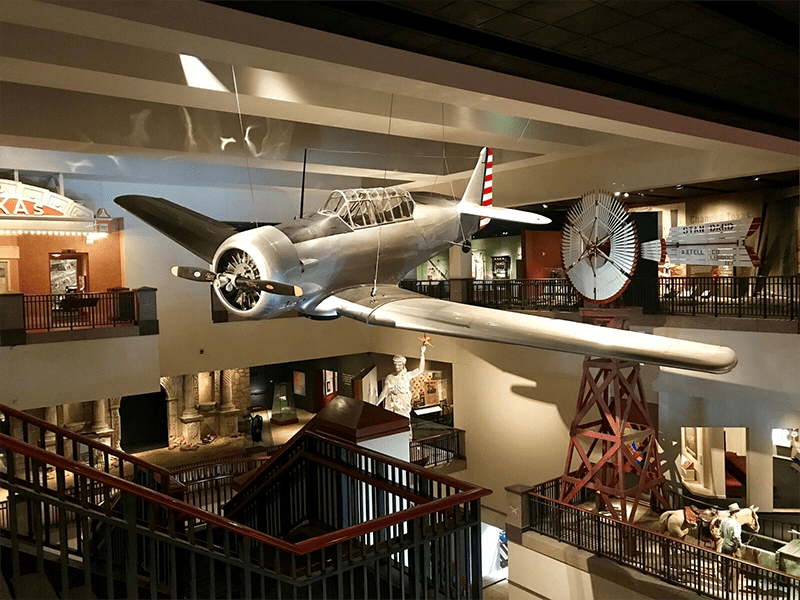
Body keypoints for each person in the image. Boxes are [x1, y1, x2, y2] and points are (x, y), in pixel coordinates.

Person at [378, 345, 427, 419]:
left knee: (404, 420)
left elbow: (420, 369)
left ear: (404, 364)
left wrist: (422, 354)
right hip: (394, 402)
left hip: (404, 403)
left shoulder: (407, 375)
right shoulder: (390, 377)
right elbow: (384, 393)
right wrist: (376, 404)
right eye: (395, 364)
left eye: (399, 364)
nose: (397, 367)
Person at [720, 503, 743, 592]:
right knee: (735, 568)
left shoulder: (724, 521)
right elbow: (736, 536)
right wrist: (739, 544)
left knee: (724, 567)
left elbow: (721, 534)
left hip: (724, 546)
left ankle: (724, 586)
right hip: (733, 548)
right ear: (736, 513)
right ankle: (733, 588)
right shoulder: (736, 524)